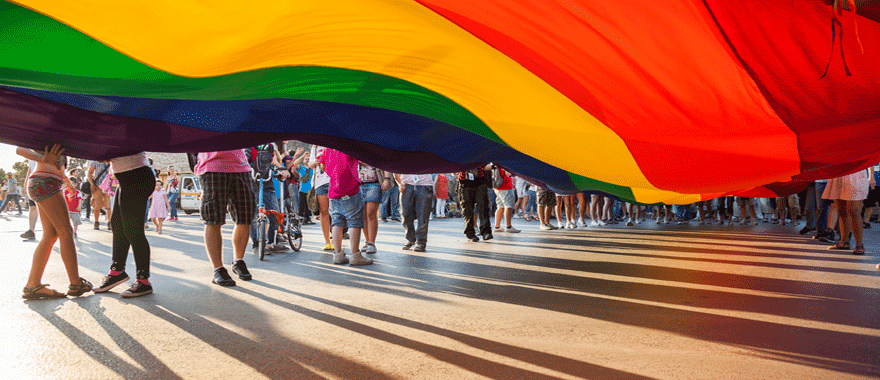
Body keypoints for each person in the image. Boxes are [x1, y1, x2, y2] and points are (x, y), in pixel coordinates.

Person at [16, 144, 92, 299]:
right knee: (66, 232)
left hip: (45, 182)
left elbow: (56, 165)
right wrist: (42, 158)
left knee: (50, 235)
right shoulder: (46, 129)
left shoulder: (59, 135)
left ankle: (32, 285)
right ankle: (76, 283)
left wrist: (67, 182)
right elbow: (19, 149)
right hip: (46, 182)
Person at [92, 152, 157, 297]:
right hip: (125, 179)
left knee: (133, 230)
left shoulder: (128, 130)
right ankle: (116, 272)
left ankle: (143, 281)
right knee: (118, 226)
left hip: (137, 176)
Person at [193, 150, 256, 286]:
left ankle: (238, 261)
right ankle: (218, 269)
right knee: (213, 218)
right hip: (212, 166)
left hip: (241, 166)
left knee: (245, 217)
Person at [318, 148, 373, 265]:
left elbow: (322, 166)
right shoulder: (347, 144)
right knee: (354, 222)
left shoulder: (328, 148)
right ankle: (355, 255)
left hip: (333, 188)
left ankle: (338, 255)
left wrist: (333, 173)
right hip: (350, 188)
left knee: (337, 221)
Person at [823, 167, 875, 254]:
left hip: (856, 173)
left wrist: (871, 176)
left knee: (854, 210)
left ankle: (859, 245)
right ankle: (844, 242)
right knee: (841, 211)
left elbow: (870, 156)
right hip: (838, 172)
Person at [248, 144, 287, 254]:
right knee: (254, 217)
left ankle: (273, 241)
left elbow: (272, 163)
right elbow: (245, 161)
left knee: (275, 214)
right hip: (253, 185)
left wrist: (278, 172)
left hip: (267, 185)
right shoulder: (249, 146)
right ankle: (257, 244)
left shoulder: (269, 146)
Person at [396, 173, 434, 251]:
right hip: (407, 184)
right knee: (405, 214)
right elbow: (394, 168)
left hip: (425, 184)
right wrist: (399, 183)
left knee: (423, 215)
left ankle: (421, 242)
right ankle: (410, 238)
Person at [308, 145, 334, 250]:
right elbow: (311, 164)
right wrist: (315, 163)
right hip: (320, 182)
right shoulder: (315, 147)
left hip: (334, 179)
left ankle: (335, 240)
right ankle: (327, 241)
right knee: (324, 211)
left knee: (336, 212)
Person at [458, 166, 493, 240]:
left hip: (479, 181)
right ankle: (470, 234)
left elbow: (485, 166)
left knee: (483, 207)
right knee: (467, 209)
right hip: (465, 182)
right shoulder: (460, 155)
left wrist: (495, 166)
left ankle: (486, 232)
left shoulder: (479, 155)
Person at [358, 162, 385, 254]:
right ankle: (367, 241)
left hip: (374, 183)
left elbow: (385, 162)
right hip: (359, 183)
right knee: (363, 215)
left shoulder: (375, 147)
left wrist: (387, 179)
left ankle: (372, 243)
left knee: (370, 213)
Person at [492, 167, 520, 233]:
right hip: (505, 186)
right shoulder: (503, 163)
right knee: (508, 206)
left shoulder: (497, 162)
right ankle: (508, 226)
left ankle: (497, 226)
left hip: (499, 187)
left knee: (500, 206)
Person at [87, 160, 112, 230]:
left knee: (108, 206)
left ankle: (109, 222)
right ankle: (96, 222)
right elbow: (89, 173)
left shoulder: (111, 161)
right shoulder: (95, 162)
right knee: (97, 206)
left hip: (108, 187)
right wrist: (91, 183)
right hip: (97, 186)